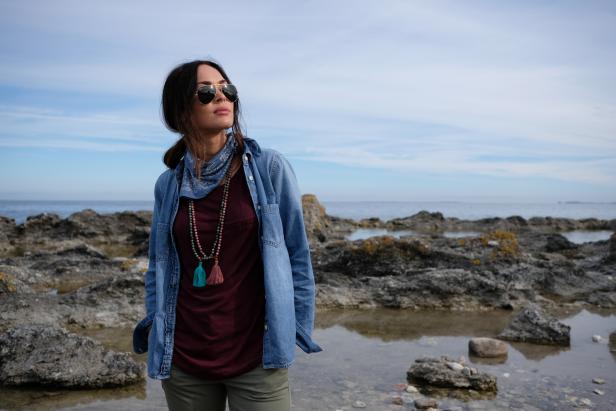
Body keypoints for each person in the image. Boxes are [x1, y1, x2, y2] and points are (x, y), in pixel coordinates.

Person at [131, 58, 322, 411]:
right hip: (184, 357)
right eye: (206, 92)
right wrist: (157, 325)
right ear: (181, 110)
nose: (222, 97)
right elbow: (158, 265)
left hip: (256, 357)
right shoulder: (167, 185)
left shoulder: (270, 169)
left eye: (227, 89)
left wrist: (291, 330)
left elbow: (297, 255)